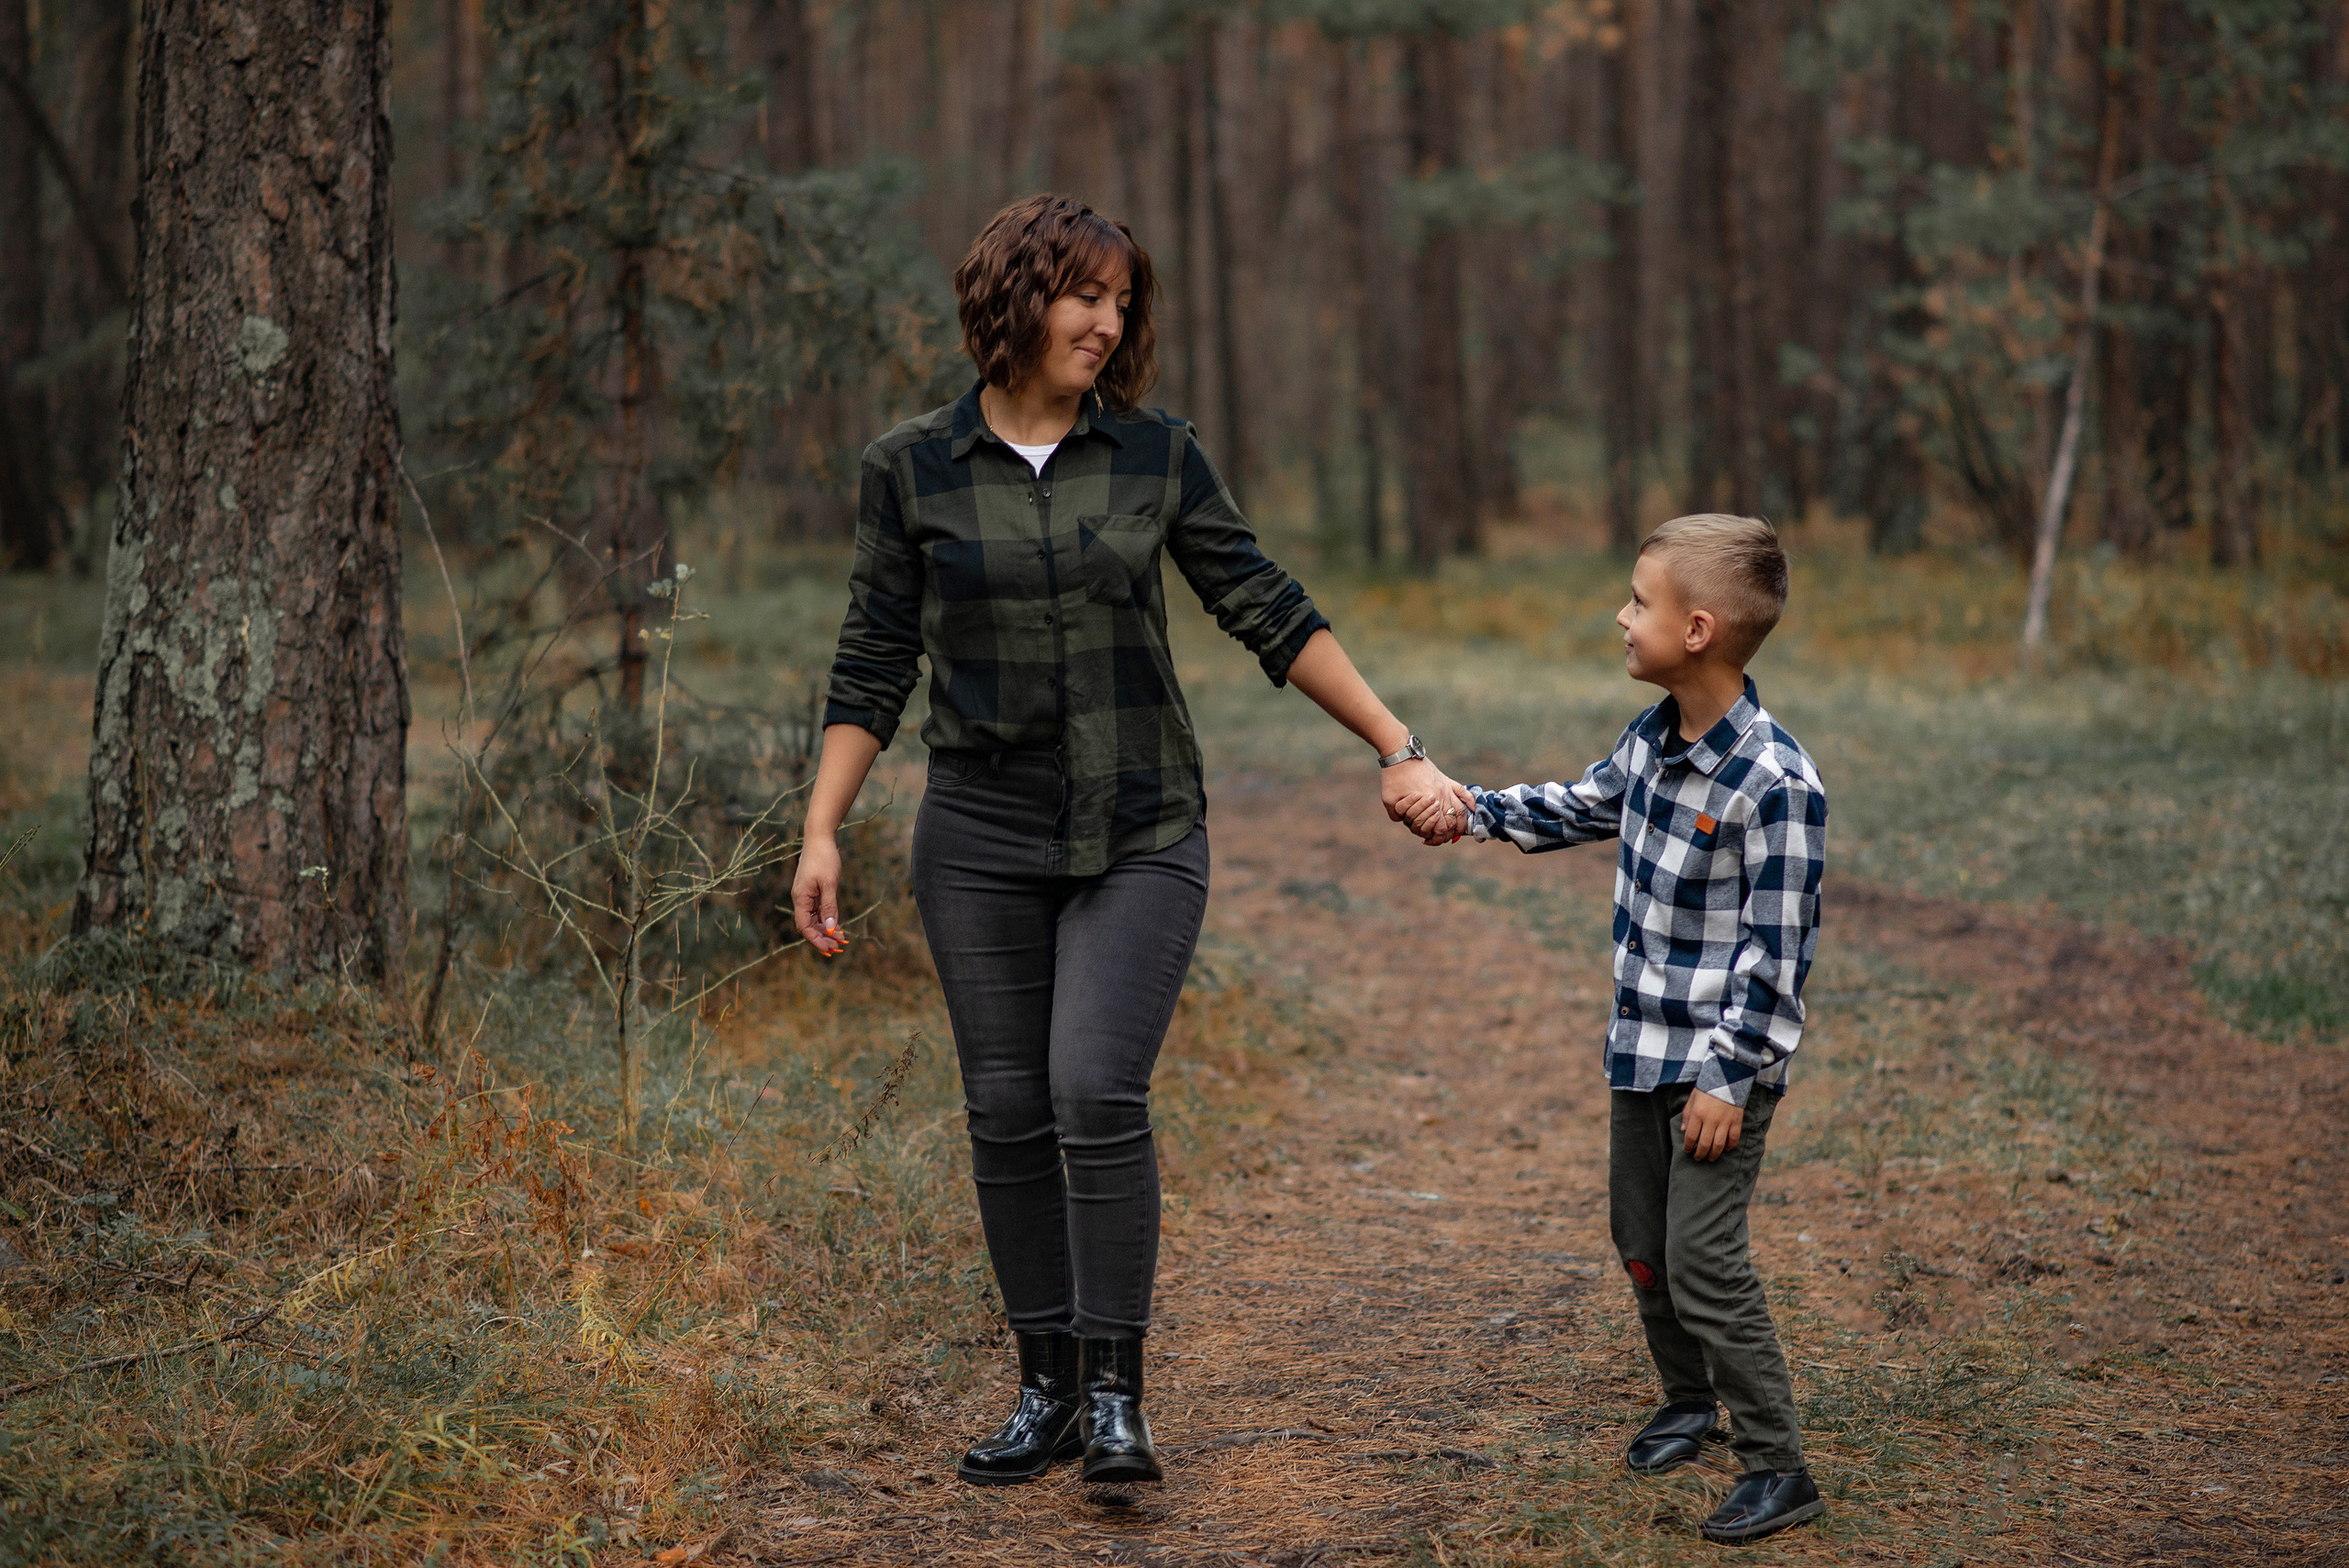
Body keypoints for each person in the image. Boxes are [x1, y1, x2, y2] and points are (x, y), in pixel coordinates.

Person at [789, 193, 1468, 1486]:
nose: (1107, 322)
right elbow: (872, 657)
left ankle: (1116, 1395)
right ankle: (1042, 1385)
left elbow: (1263, 604)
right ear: (1013, 298)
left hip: (1140, 822)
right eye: (1082, 294)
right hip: (977, 835)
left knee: (1093, 1088)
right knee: (1002, 1110)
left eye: (1120, 299)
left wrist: (1399, 745)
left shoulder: (1155, 454)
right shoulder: (911, 467)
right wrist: (823, 829)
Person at [1401, 513, 1828, 1545]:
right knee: (1643, 1245)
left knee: (1704, 1259)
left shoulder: (1774, 782)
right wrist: (1471, 808)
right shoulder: (1651, 741)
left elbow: (1778, 960)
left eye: (1638, 601)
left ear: (1696, 629)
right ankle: (1689, 1399)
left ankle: (1777, 1463)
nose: (1620, 616)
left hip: (1717, 1071)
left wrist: (1730, 1078)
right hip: (1638, 1051)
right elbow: (1577, 805)